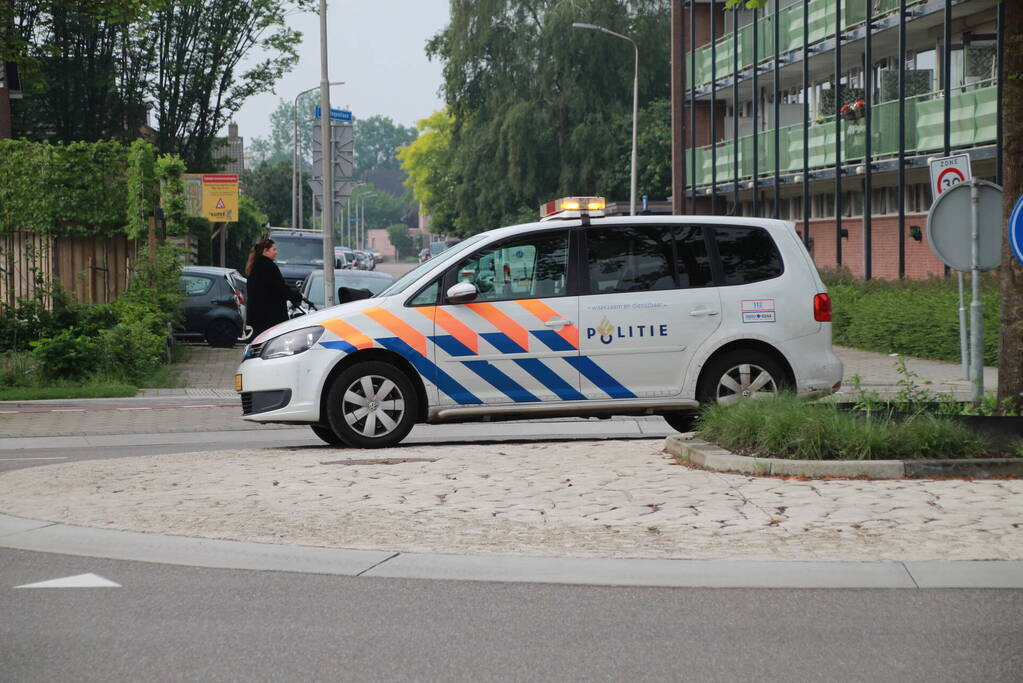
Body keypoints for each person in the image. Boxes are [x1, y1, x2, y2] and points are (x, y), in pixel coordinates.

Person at [245, 237, 302, 339]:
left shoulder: (254, 266)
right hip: (271, 318)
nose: (276, 252)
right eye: (274, 249)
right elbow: (281, 289)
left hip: (257, 317)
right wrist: (298, 296)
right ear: (265, 251)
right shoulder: (269, 266)